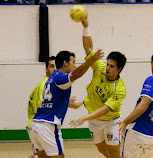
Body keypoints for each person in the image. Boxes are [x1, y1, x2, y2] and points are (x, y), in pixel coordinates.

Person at [29, 50, 103, 158]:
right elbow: (77, 74)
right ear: (65, 63)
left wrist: (67, 102)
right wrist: (91, 60)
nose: (75, 65)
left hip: (36, 125)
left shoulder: (51, 78)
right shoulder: (60, 77)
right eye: (73, 62)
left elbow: (53, 99)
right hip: (48, 126)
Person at [70, 18, 127, 158]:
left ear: (119, 69)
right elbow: (88, 49)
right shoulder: (100, 68)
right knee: (102, 150)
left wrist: (83, 118)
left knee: (114, 154)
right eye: (107, 64)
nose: (107, 68)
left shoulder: (119, 89)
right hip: (94, 121)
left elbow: (104, 109)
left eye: (112, 66)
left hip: (111, 122)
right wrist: (86, 27)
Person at [26, 56, 83, 158]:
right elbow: (45, 104)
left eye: (56, 66)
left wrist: (68, 103)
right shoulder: (46, 84)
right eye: (52, 66)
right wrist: (69, 103)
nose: (55, 69)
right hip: (43, 124)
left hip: (36, 125)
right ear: (46, 70)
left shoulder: (50, 82)